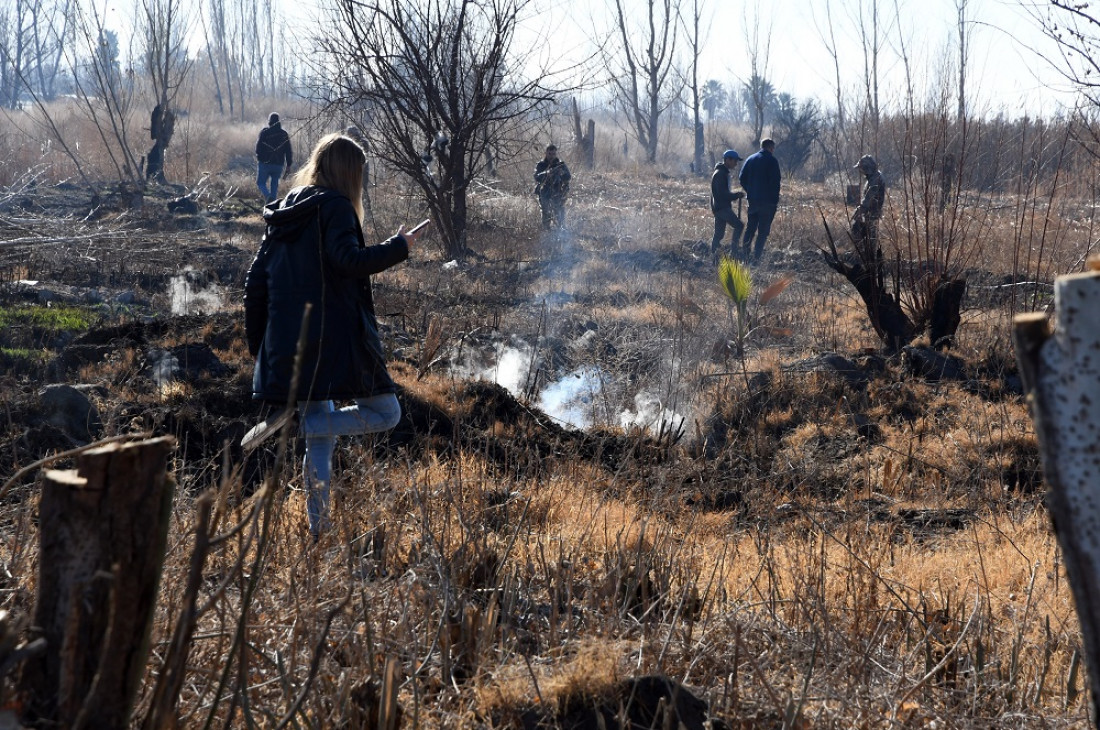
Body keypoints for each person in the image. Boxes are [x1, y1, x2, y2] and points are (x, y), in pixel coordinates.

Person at [242, 133, 426, 540]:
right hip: (328, 343)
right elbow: (349, 261)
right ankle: (300, 428)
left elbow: (255, 283)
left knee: (322, 438)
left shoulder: (286, 210)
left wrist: (263, 351)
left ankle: (318, 531)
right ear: (349, 172)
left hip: (287, 345)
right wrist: (399, 247)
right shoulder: (336, 207)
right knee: (387, 413)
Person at [738, 138, 782, 262]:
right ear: (771, 148)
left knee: (750, 228)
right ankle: (756, 258)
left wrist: (750, 191)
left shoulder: (750, 159)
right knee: (763, 231)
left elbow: (741, 178)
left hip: (753, 201)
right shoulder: (772, 161)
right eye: (773, 149)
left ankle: (745, 256)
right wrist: (774, 200)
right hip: (767, 203)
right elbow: (776, 182)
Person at [710, 149, 745, 255]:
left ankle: (714, 255)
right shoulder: (720, 174)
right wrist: (736, 195)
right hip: (722, 207)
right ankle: (734, 252)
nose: (736, 163)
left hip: (718, 207)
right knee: (739, 226)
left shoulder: (721, 172)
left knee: (719, 234)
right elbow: (722, 194)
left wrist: (734, 195)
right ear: (727, 160)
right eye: (734, 160)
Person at [256, 112, 293, 203]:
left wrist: (260, 158)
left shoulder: (264, 132)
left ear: (269, 121)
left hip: (265, 163)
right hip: (278, 164)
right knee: (274, 185)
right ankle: (273, 204)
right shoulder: (284, 134)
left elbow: (258, 148)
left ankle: (268, 197)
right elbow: (288, 151)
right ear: (279, 121)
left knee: (260, 183)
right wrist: (289, 164)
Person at [852, 154, 886, 249]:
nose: (860, 171)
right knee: (869, 235)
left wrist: (861, 209)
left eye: (861, 168)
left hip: (873, 212)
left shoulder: (875, 178)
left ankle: (870, 258)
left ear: (866, 168)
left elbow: (870, 196)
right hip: (871, 212)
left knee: (871, 237)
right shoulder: (874, 177)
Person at [533, 144, 571, 230]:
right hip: (545, 191)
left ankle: (561, 230)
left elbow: (568, 177)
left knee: (559, 211)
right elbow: (536, 177)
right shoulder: (541, 164)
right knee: (546, 212)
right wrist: (546, 174)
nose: (552, 156)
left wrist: (562, 173)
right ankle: (546, 230)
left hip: (558, 191)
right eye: (550, 153)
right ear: (546, 153)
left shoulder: (561, 164)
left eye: (554, 154)